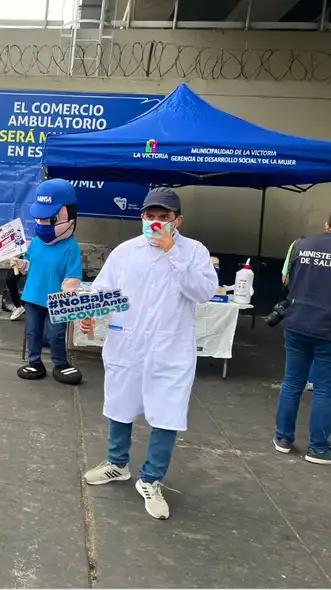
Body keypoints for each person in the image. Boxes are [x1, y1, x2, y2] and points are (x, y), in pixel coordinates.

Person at [80, 188, 217, 520]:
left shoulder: (194, 252)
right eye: (150, 216)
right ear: (141, 217)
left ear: (177, 221)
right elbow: (103, 289)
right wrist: (89, 312)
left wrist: (173, 252)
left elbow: (204, 291)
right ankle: (117, 464)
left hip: (170, 349)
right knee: (120, 405)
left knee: (166, 413)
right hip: (128, 344)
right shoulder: (126, 252)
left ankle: (152, 479)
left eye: (164, 218)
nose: (155, 223)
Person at [273, 205, 331, 465]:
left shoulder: (300, 245)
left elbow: (286, 280)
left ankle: (283, 438)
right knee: (325, 390)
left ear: (328, 225)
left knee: (292, 382)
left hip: (296, 325)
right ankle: (318, 448)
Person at [13, 179, 84, 385]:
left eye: (51, 220)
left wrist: (69, 289)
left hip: (57, 298)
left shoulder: (71, 247)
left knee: (56, 334)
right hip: (33, 294)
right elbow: (29, 263)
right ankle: (34, 361)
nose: (43, 226)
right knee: (33, 332)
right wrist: (19, 263)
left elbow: (73, 274)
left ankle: (60, 363)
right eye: (40, 220)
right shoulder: (36, 242)